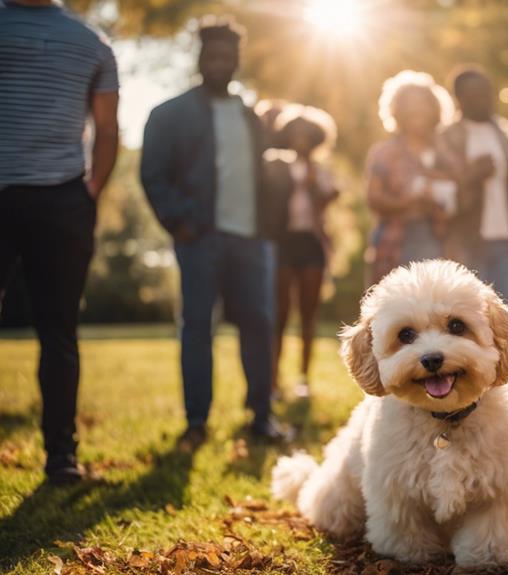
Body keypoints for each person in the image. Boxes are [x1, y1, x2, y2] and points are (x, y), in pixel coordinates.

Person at [140, 18, 289, 450]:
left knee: (259, 326)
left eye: (229, 56)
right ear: (200, 58)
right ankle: (196, 423)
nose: (221, 63)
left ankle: (261, 417)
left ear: (237, 61)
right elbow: (153, 175)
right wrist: (181, 221)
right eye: (213, 55)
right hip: (199, 238)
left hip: (251, 240)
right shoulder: (169, 114)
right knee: (197, 328)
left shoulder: (249, 115)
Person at [0, 0, 119, 484]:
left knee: (59, 332)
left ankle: (61, 457)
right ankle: (62, 460)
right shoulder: (92, 41)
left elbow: (108, 131)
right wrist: (85, 195)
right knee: (59, 333)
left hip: (62, 200)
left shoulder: (94, 44)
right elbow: (108, 129)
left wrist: (86, 193)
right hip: (55, 200)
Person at [441, 67, 508, 313]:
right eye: (476, 94)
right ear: (460, 98)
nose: (485, 100)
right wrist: (472, 176)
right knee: (471, 317)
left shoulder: (504, 135)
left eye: (487, 93)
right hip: (467, 243)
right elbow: (441, 193)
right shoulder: (447, 137)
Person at [266, 104, 339, 400]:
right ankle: (273, 380)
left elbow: (325, 203)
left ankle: (304, 379)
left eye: (306, 135)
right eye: (295, 133)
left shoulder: (320, 172)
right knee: (279, 314)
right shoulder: (276, 165)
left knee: (308, 314)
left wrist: (312, 187)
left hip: (310, 243)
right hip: (283, 242)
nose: (300, 139)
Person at [365, 70, 459, 285]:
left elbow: (457, 199)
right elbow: (373, 198)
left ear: (434, 109)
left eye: (423, 104)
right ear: (397, 110)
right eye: (410, 105)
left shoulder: (446, 152)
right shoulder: (385, 152)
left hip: (440, 240)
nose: (417, 110)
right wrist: (410, 202)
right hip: (394, 240)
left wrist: (441, 204)